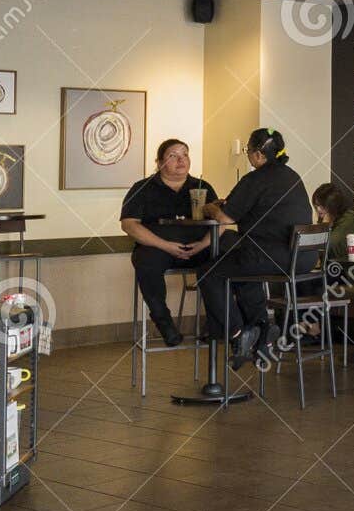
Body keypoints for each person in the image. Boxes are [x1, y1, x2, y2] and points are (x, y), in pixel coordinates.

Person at [199, 128, 311, 367]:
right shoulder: (292, 176)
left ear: (259, 155)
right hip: (303, 259)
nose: (247, 155)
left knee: (208, 273)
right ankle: (261, 328)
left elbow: (225, 219)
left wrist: (210, 208)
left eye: (248, 150)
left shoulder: (255, 178)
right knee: (240, 268)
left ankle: (238, 333)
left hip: (273, 256)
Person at [119, 139, 217, 346]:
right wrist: (165, 245)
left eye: (185, 154)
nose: (181, 160)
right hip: (159, 249)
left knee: (225, 253)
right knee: (145, 260)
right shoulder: (143, 188)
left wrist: (203, 244)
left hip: (198, 248)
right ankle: (165, 324)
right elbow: (129, 225)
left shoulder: (202, 187)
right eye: (173, 155)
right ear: (159, 162)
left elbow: (220, 222)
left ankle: (219, 324)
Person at [311, 183, 354, 267]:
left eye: (322, 205)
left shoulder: (348, 219)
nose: (318, 209)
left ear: (333, 204)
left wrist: (326, 224)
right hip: (331, 267)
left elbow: (329, 244)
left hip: (347, 271)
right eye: (316, 205)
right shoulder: (330, 218)